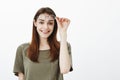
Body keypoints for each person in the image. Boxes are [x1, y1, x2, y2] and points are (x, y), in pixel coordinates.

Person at [13, 7, 73, 80]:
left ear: (54, 25)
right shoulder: (22, 49)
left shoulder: (63, 46)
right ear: (35, 23)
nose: (46, 27)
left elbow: (65, 69)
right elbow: (21, 78)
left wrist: (63, 34)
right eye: (41, 22)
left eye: (50, 23)